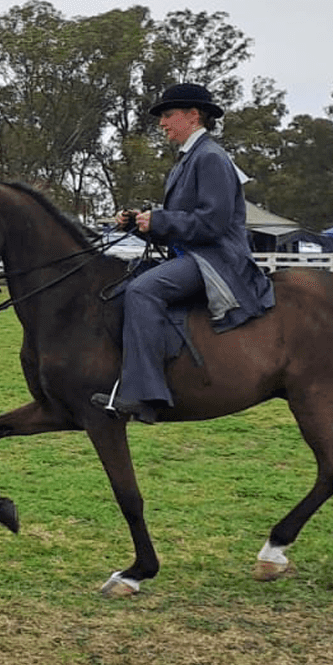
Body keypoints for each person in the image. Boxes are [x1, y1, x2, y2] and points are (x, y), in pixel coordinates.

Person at [97, 82, 276, 423]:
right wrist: (139, 222)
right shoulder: (189, 159)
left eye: (167, 115)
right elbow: (185, 222)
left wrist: (159, 219)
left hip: (218, 260)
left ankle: (146, 394)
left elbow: (213, 222)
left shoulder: (210, 157)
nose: (161, 123)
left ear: (193, 116)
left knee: (143, 290)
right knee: (123, 280)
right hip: (193, 255)